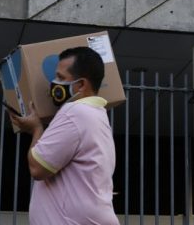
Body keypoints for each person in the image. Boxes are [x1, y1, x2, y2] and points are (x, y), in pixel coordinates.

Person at [9, 47, 119, 225]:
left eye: (61, 78)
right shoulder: (97, 115)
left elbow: (37, 168)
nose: (54, 83)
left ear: (81, 84)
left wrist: (36, 129)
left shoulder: (75, 112)